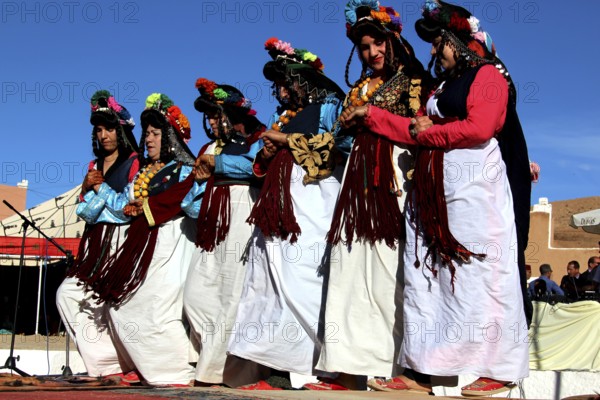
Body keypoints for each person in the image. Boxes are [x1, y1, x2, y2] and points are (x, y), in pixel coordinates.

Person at [340, 0, 531, 396]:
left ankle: (499, 366)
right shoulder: (443, 87)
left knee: (481, 272)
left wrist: (429, 131)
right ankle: (425, 369)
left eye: (437, 43)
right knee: (428, 277)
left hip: (474, 185)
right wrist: (371, 117)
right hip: (434, 188)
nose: (432, 51)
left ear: (457, 41)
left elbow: (479, 128)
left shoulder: (489, 76)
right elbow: (414, 129)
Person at [309, 0, 427, 391]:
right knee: (345, 269)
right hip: (355, 183)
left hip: (392, 180)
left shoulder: (412, 81)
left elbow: (417, 130)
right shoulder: (358, 88)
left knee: (385, 271)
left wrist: (370, 118)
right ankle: (345, 367)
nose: (372, 53)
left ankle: (392, 364)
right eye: (364, 47)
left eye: (378, 43)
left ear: (392, 41)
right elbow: (341, 142)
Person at [227, 37, 346, 390]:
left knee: (301, 281)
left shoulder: (329, 107)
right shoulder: (283, 117)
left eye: (286, 79)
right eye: (277, 82)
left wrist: (287, 143)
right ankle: (272, 370)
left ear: (305, 79)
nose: (281, 88)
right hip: (276, 207)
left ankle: (316, 367)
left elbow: (337, 147)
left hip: (312, 202)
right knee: (268, 284)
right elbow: (261, 165)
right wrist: (266, 155)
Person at [76, 93, 197, 386]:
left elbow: (180, 198)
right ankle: (150, 368)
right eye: (147, 134)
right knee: (124, 304)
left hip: (172, 245)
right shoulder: (145, 171)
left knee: (153, 306)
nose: (149, 139)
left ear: (170, 137)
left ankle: (178, 371)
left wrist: (141, 207)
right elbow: (118, 202)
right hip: (144, 245)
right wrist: (112, 196)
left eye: (156, 134)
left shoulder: (183, 169)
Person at [180, 78, 266, 387]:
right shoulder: (206, 147)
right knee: (195, 295)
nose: (213, 121)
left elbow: (258, 168)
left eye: (217, 115)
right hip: (210, 225)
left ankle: (214, 371)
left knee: (232, 295)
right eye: (210, 116)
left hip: (243, 214)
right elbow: (190, 202)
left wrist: (218, 164)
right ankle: (222, 362)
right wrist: (200, 187)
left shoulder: (258, 135)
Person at [56, 90, 139, 382]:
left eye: (109, 128)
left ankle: (128, 364)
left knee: (112, 305)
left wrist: (98, 193)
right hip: (93, 244)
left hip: (121, 241)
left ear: (121, 130)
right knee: (67, 294)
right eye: (99, 129)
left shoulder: (134, 162)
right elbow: (85, 213)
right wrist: (87, 189)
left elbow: (124, 212)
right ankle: (104, 363)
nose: (103, 135)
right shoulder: (93, 167)